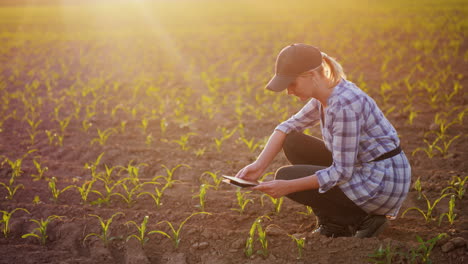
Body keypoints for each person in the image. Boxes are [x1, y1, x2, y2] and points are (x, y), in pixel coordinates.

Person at [235, 43, 411, 238]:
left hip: (381, 183)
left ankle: (359, 219)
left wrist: (287, 187)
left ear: (311, 75)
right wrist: (259, 166)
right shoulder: (326, 94)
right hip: (364, 169)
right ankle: (337, 221)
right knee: (294, 142)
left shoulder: (344, 105)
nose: (289, 92)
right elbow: (287, 127)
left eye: (292, 83)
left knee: (286, 177)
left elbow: (342, 172)